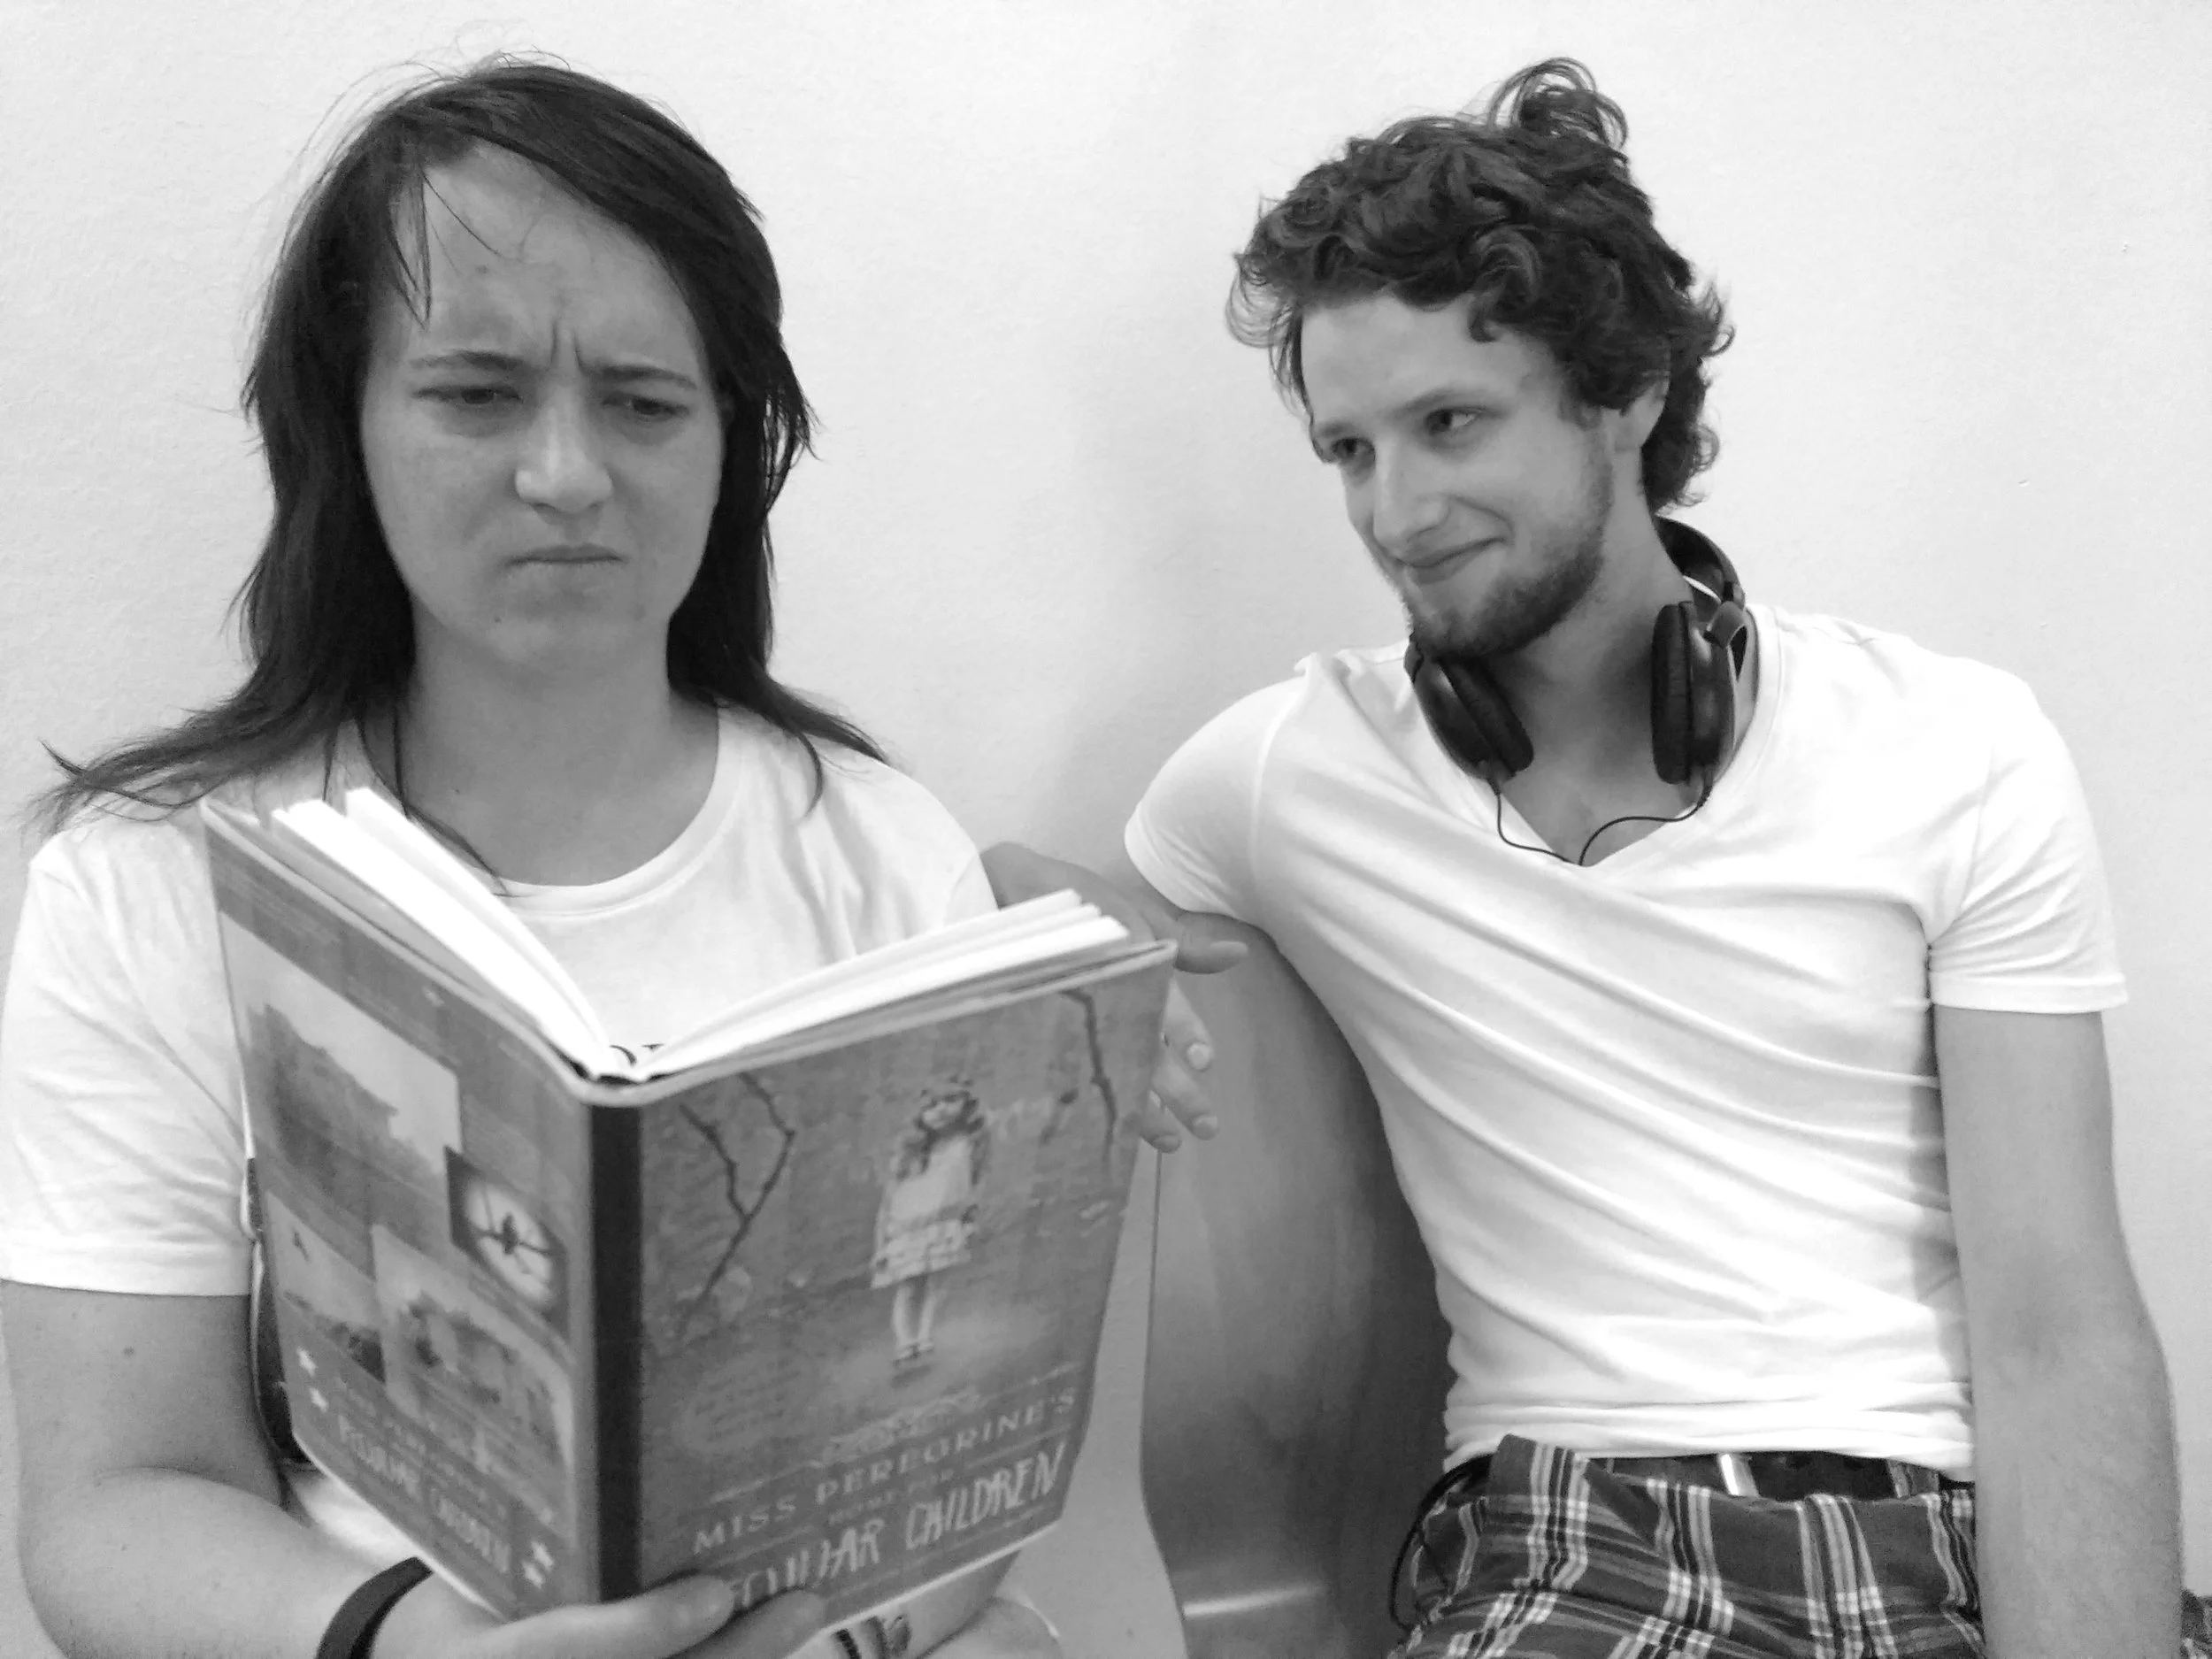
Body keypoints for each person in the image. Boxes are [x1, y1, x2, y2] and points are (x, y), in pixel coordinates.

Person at [987, 58, 2200, 1658]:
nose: (1396, 511)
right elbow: (1013, 874)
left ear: (1625, 396)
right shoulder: (1298, 768)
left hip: (1955, 1535)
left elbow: (2058, 1327)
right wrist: (1073, 943)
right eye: (1349, 449)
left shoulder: (1955, 745)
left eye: (1449, 425)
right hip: (1579, 1542)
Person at [0, 59, 1077, 1659]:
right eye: (475, 392)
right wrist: (405, 1644)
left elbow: (961, 1456)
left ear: (735, 448)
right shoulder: (154, 880)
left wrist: (847, 1640)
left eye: (643, 404)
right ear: (343, 429)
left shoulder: (870, 847)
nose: (567, 474)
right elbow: (110, 1507)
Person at [873, 1088, 993, 1368]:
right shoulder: (909, 1152)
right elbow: (889, 1201)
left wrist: (969, 1218)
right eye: (931, 1106)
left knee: (936, 1284)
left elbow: (973, 1183)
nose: (940, 1110)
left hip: (944, 1224)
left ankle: (925, 1336)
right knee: (908, 1287)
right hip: (908, 1230)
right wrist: (880, 1245)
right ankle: (905, 1342)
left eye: (949, 1102)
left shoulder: (967, 1144)